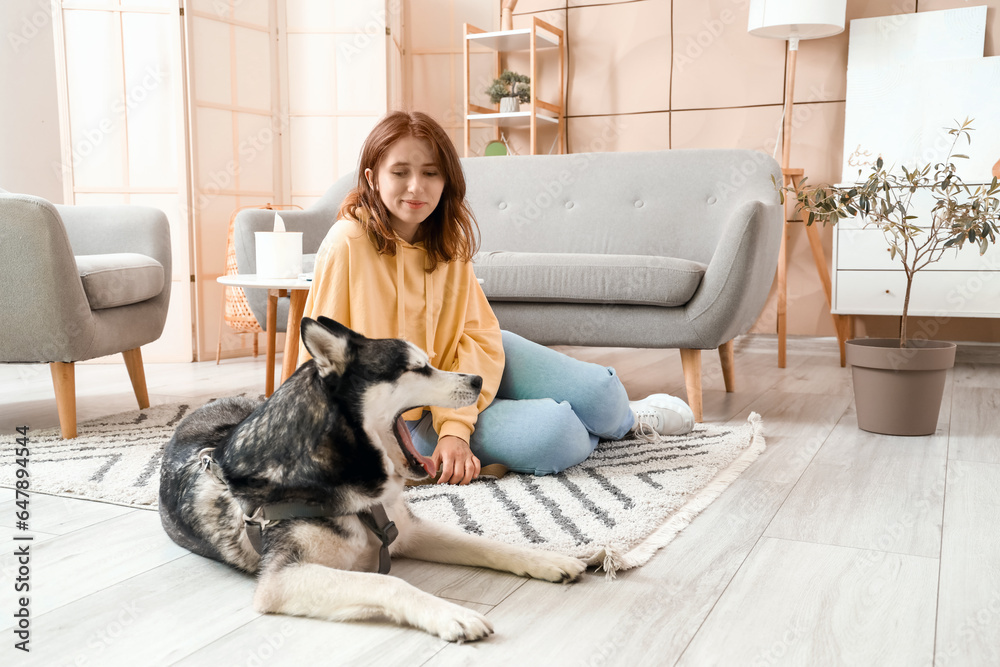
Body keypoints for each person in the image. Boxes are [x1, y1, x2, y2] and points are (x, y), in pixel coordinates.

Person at [299, 110, 694, 486]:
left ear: (446, 180)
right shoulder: (346, 244)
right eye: (400, 172)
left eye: (430, 173)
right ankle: (594, 428)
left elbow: (477, 334)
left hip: (474, 362)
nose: (416, 187)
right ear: (372, 178)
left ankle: (625, 421)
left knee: (602, 394)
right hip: (408, 418)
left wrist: (456, 427)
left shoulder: (447, 241)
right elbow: (324, 366)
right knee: (558, 436)